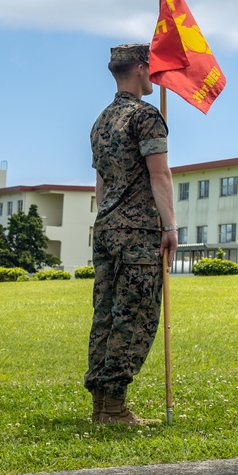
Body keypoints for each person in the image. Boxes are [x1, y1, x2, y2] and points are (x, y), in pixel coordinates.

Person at [85, 43, 179, 425]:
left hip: (106, 228)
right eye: (152, 67)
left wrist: (106, 217)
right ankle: (114, 406)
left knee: (106, 313)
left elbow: (101, 183)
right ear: (140, 68)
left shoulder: (101, 121)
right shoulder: (145, 116)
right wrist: (169, 225)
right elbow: (160, 173)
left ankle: (100, 403)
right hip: (138, 232)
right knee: (135, 316)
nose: (155, 74)